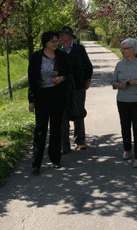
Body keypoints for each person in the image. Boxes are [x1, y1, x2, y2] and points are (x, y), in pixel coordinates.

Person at [28, 31, 71, 175]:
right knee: (40, 129)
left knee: (56, 128)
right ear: (45, 42)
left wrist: (62, 78)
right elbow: (32, 80)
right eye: (53, 41)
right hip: (41, 96)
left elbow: (69, 74)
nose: (56, 43)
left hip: (57, 95)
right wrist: (31, 100)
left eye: (56, 41)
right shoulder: (36, 57)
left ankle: (55, 158)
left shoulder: (61, 56)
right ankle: (36, 163)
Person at [112, 38, 137, 168]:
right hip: (123, 100)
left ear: (132, 50)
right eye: (121, 48)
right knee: (125, 127)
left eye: (125, 48)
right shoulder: (119, 65)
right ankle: (127, 149)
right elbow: (113, 83)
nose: (122, 51)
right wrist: (119, 84)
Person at [59, 25, 93, 154]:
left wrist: (88, 79)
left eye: (62, 35)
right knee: (63, 116)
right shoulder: (58, 52)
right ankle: (64, 145)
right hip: (62, 89)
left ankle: (80, 142)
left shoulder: (79, 49)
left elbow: (88, 65)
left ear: (68, 37)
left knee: (78, 113)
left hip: (78, 87)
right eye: (60, 36)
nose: (60, 38)